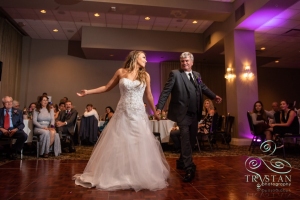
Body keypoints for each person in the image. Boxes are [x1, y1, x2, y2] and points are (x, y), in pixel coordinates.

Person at [74, 50, 169, 191]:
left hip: (138, 114)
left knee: (138, 144)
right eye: (144, 57)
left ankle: (137, 175)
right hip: (123, 113)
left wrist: (155, 112)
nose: (146, 60)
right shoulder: (121, 72)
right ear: (136, 57)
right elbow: (106, 87)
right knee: (119, 143)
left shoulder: (145, 75)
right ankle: (118, 174)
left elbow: (149, 95)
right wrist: (87, 92)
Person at [156, 52, 222, 182]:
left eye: (186, 61)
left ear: (191, 62)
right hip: (183, 114)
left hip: (195, 114)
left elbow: (203, 87)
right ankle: (189, 167)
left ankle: (181, 161)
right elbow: (166, 91)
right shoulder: (175, 74)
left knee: (191, 140)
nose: (184, 63)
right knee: (185, 139)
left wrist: (214, 96)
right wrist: (159, 107)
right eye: (182, 61)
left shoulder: (197, 75)